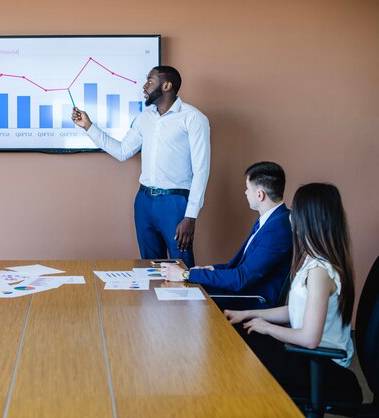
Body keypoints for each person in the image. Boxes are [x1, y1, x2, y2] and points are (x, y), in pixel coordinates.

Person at [72, 66, 210, 267]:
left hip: (175, 202)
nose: (144, 86)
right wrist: (88, 126)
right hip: (144, 201)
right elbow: (122, 151)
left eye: (150, 81)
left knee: (182, 267)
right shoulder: (144, 118)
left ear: (166, 85)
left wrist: (191, 215)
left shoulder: (193, 118)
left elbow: (201, 169)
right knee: (150, 266)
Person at [224, 183, 356, 393]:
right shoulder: (312, 261)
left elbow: (310, 339)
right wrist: (247, 314)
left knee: (239, 353)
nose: (290, 216)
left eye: (296, 210)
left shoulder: (320, 272)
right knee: (240, 337)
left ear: (309, 219)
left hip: (321, 365)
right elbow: (294, 310)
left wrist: (266, 327)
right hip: (307, 355)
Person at [161, 162, 292, 309]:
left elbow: (241, 278)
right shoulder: (271, 220)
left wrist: (186, 275)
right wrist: (210, 268)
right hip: (241, 293)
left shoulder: (277, 230)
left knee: (178, 301)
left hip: (250, 302)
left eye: (247, 188)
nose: (245, 193)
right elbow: (240, 268)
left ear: (260, 195)